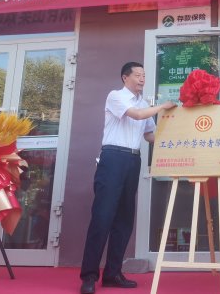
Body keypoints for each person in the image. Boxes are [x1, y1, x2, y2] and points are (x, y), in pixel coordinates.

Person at [79, 62, 176, 294]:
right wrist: (162, 106)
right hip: (113, 158)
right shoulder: (116, 96)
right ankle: (89, 276)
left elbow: (150, 135)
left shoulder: (144, 104)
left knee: (124, 219)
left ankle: (113, 274)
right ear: (125, 77)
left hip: (133, 160)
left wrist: (177, 136)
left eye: (144, 75)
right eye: (138, 75)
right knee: (102, 217)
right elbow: (137, 115)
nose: (142, 79)